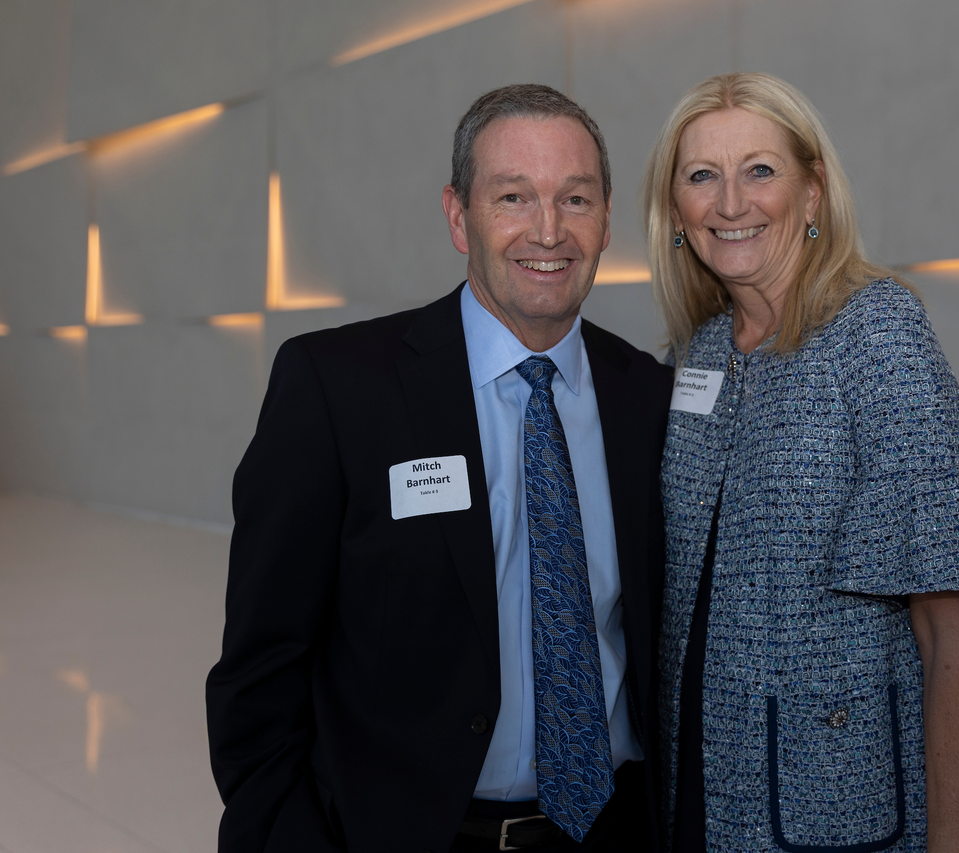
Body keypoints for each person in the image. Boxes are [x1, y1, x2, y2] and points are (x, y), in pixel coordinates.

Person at [206, 84, 672, 853]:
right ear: (459, 216)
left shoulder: (648, 399)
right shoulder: (338, 389)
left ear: (608, 219)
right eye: (513, 196)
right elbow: (259, 670)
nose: (548, 229)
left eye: (576, 198)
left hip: (615, 831)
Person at [641, 72, 959, 852]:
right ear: (676, 210)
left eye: (760, 170)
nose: (731, 202)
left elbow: (953, 631)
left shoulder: (877, 332)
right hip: (694, 793)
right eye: (701, 176)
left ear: (812, 192)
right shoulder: (696, 352)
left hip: (829, 812)